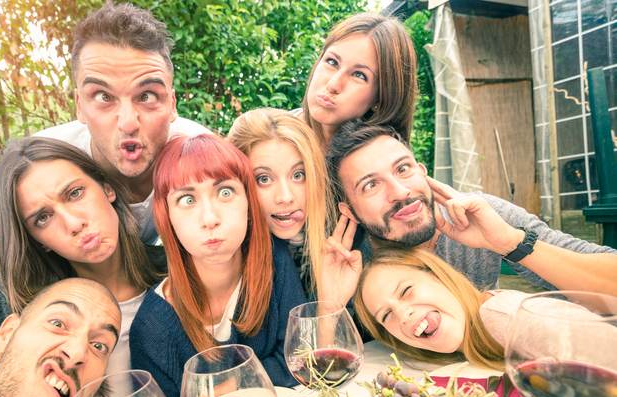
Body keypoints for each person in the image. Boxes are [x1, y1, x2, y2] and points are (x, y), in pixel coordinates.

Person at [0, 2, 209, 350]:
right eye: (103, 97)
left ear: (172, 103)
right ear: (79, 106)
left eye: (147, 96)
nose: (128, 122)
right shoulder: (38, 172)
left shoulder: (198, 155)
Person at [0, 137, 157, 388]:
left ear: (107, 188)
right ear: (37, 240)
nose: (74, 224)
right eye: (43, 218)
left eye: (75, 193)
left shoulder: (177, 271)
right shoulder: (8, 301)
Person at [324, 119, 617, 296]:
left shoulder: (478, 214)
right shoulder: (345, 259)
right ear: (348, 211)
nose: (400, 192)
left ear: (423, 172)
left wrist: (509, 242)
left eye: (403, 169)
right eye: (370, 185)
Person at [128, 134, 304, 397]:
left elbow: (300, 360)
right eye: (187, 200)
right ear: (167, 218)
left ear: (248, 204)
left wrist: (228, 387)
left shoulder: (274, 261)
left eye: (225, 193)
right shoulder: (152, 329)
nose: (209, 219)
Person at [353, 248, 613, 369]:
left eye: (406, 291)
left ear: (438, 276)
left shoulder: (501, 316)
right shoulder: (467, 343)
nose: (403, 314)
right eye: (386, 315)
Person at [227, 108, 335, 299]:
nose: (285, 197)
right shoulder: (225, 255)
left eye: (298, 175)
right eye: (264, 179)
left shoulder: (343, 240)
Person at [300, 13, 417, 148]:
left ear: (381, 98)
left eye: (359, 75)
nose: (333, 84)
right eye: (332, 62)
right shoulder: (276, 134)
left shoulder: (381, 162)